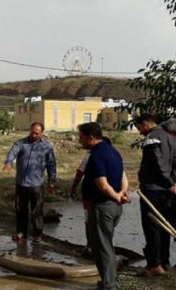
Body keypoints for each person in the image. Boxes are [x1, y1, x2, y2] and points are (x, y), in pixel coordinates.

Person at [78, 122, 128, 290]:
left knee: (102, 247)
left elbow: (103, 184)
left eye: (81, 137)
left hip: (102, 206)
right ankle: (108, 280)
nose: (80, 141)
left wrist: (116, 196)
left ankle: (110, 285)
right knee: (103, 244)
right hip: (113, 206)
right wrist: (122, 194)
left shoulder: (97, 155)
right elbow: (124, 178)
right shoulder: (114, 152)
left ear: (91, 137)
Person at [135, 114, 176, 276]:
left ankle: (154, 265)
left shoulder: (153, 137)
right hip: (166, 191)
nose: (139, 132)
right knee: (164, 226)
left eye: (139, 128)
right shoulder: (171, 138)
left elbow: (157, 162)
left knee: (152, 227)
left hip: (153, 190)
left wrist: (169, 183)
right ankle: (164, 261)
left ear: (145, 124)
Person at [3, 122, 56, 243]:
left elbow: (51, 165)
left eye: (37, 133)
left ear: (41, 133)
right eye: (32, 132)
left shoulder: (46, 147)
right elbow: (12, 152)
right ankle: (21, 232)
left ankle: (37, 235)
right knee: (20, 209)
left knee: (36, 211)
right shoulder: (21, 143)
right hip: (21, 183)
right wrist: (8, 163)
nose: (34, 135)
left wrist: (51, 182)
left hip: (36, 184)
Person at [70, 136, 113, 255]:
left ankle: (92, 246)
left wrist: (74, 187)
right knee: (103, 221)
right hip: (108, 196)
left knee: (90, 220)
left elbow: (80, 172)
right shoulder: (114, 156)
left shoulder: (91, 156)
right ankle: (102, 247)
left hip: (92, 194)